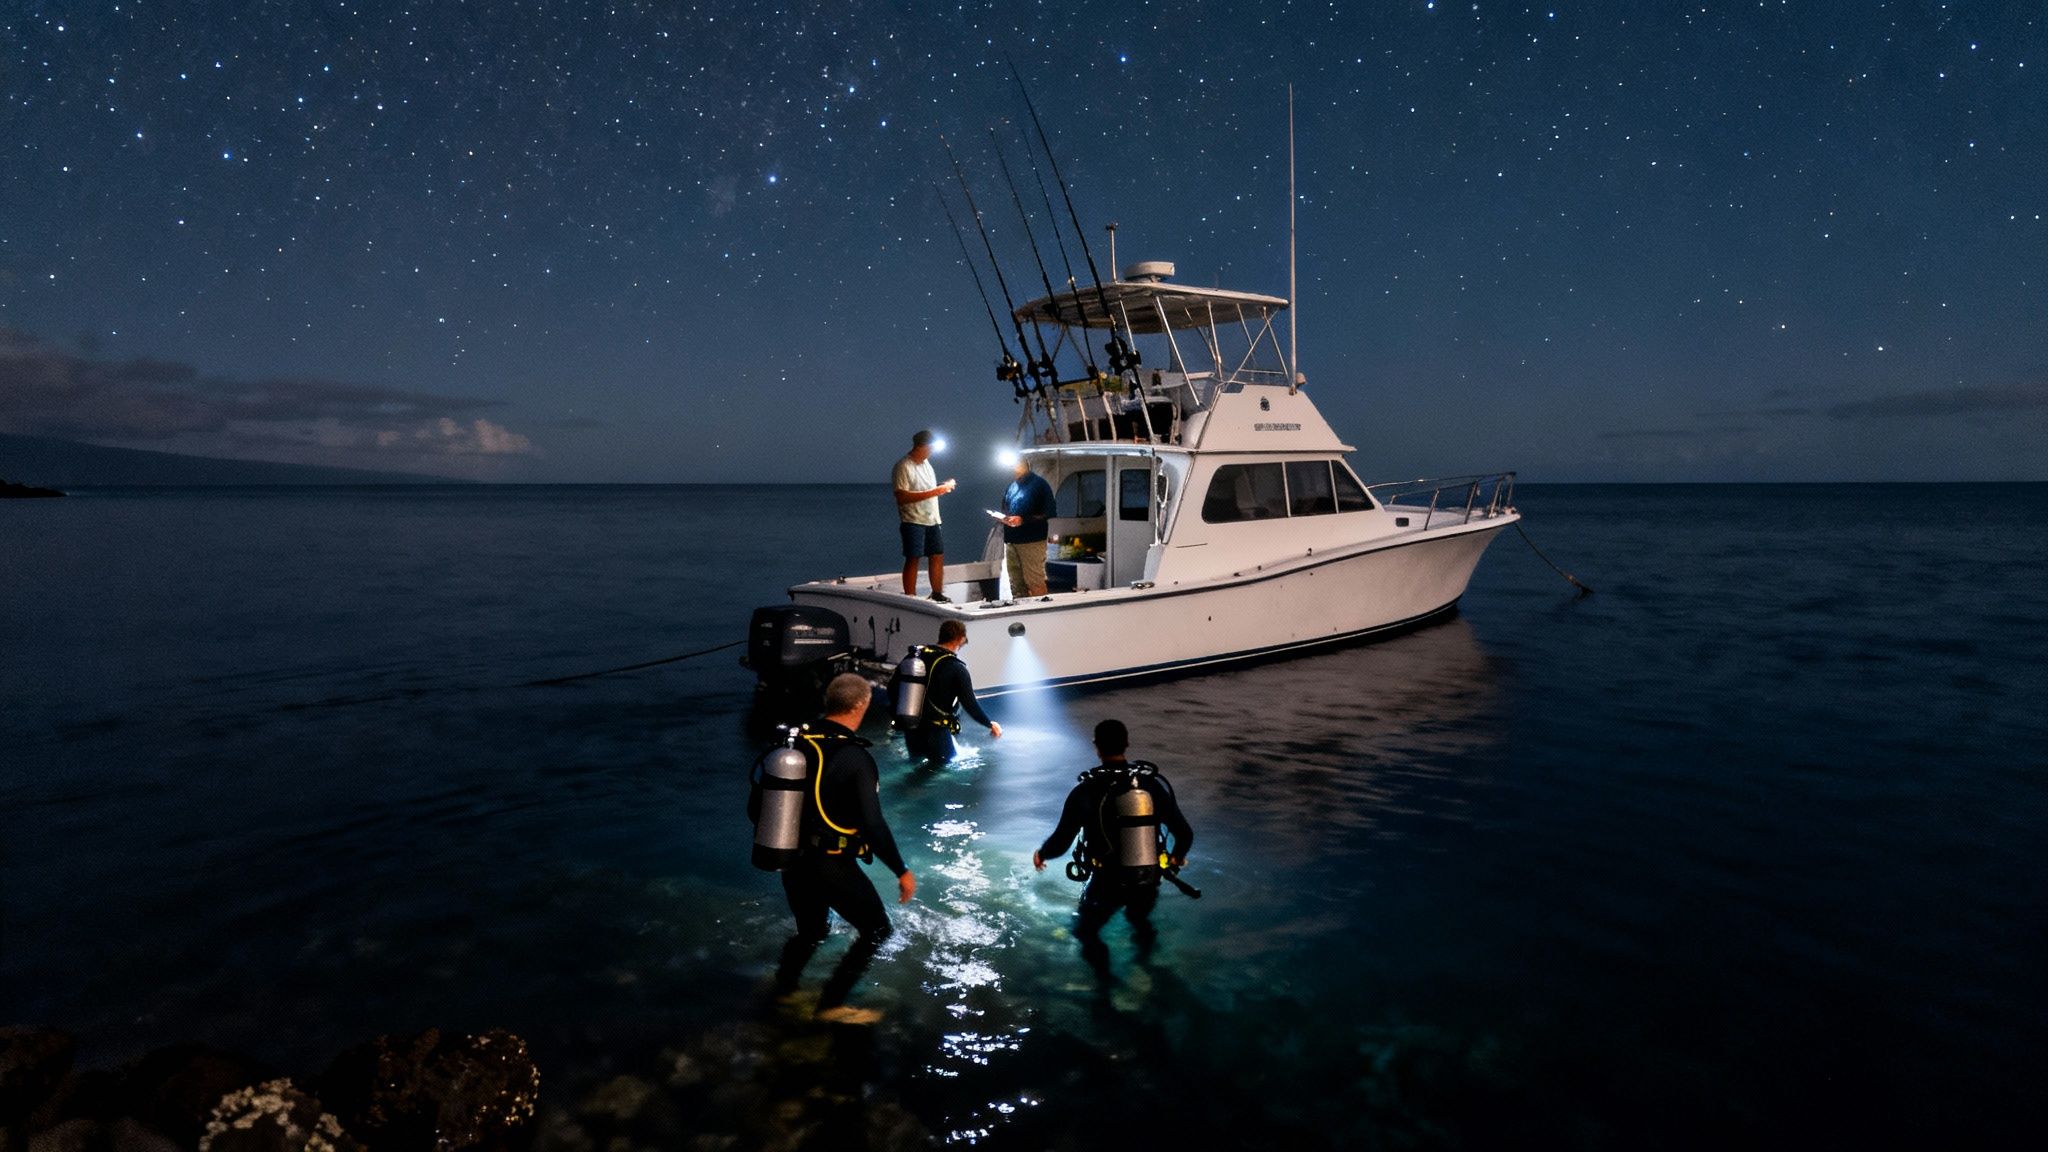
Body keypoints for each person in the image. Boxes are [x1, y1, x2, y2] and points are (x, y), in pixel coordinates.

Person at [757, 672, 917, 1025]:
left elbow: (757, 807)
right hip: (830, 864)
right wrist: (901, 871)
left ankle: (783, 991)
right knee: (877, 931)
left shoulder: (795, 745)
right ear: (861, 705)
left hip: (791, 860)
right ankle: (831, 1005)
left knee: (812, 931)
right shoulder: (855, 757)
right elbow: (873, 825)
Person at [1033, 719, 1193, 979]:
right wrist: (1175, 859)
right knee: (1139, 920)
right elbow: (1184, 834)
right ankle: (1147, 968)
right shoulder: (1150, 786)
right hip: (1146, 879)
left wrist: (1042, 853)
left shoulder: (1085, 790)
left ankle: (1105, 985)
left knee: (1085, 932)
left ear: (1096, 747)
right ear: (1127, 744)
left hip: (1106, 883)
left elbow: (1061, 842)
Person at [904, 619, 1001, 765]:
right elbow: (969, 703)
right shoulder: (957, 668)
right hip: (935, 731)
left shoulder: (916, 656)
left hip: (910, 728)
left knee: (915, 763)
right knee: (942, 769)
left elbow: (894, 686)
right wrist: (989, 724)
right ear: (959, 639)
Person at [893, 429, 957, 600]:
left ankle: (937, 593)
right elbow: (901, 496)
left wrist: (943, 487)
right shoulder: (903, 466)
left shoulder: (927, 464)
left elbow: (926, 489)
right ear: (923, 446)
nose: (933, 452)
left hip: (932, 519)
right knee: (913, 557)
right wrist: (936, 491)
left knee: (937, 555)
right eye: (931, 448)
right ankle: (910, 597)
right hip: (913, 520)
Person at [999, 455, 1056, 598]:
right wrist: (1003, 518)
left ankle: (1041, 613)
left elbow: (1049, 512)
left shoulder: (1039, 484)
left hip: (1032, 541)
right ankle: (1021, 612)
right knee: (1016, 583)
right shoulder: (1011, 486)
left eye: (1014, 465)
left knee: (1034, 581)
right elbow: (1005, 507)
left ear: (1024, 465)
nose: (1012, 468)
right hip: (1011, 541)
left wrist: (1023, 520)